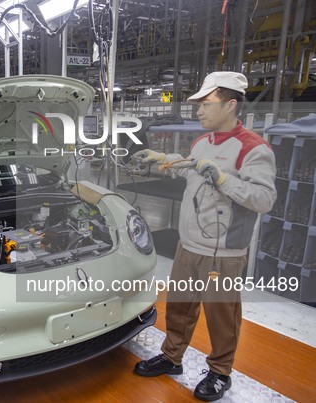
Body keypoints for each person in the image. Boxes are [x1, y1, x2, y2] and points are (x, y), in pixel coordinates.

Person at [131, 72, 276, 401]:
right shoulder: (201, 142)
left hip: (223, 252)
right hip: (189, 243)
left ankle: (220, 372)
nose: (198, 111)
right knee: (181, 307)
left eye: (206, 104)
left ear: (230, 104)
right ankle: (171, 357)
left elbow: (264, 200)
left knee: (221, 315)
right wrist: (161, 160)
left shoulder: (253, 148)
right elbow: (190, 165)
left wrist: (223, 178)